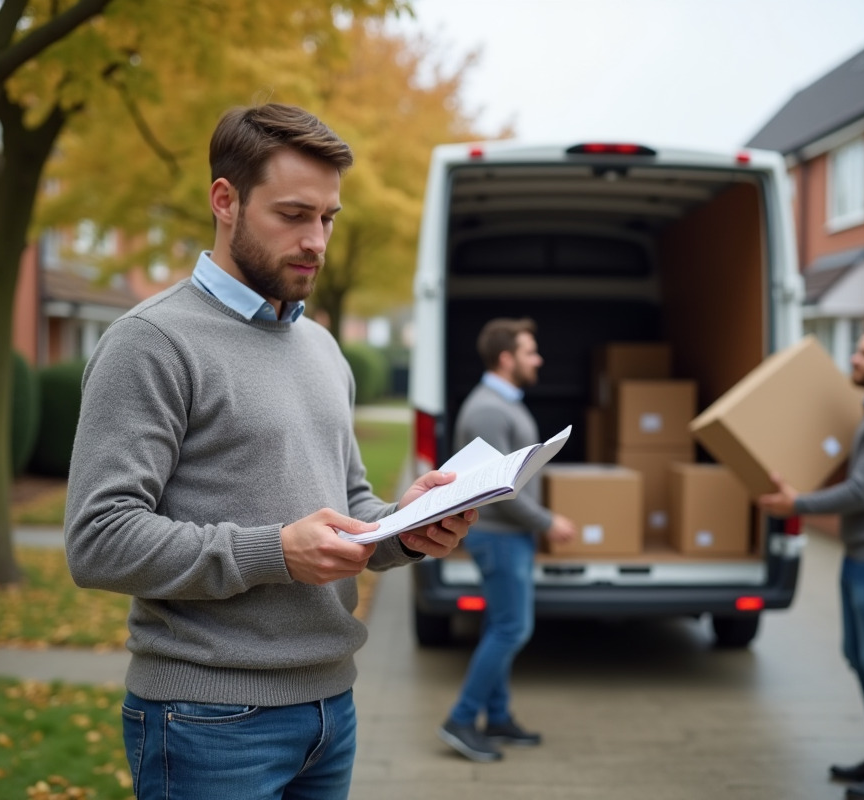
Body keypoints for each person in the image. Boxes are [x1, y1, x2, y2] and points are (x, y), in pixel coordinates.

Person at [64, 104, 474, 800]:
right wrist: (275, 551)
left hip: (329, 711)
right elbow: (98, 541)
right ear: (225, 200)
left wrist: (404, 527)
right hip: (207, 719)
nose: (316, 240)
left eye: (329, 218)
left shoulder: (320, 346)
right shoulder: (151, 342)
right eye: (293, 215)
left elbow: (343, 512)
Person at [758, 320, 864, 800]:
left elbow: (861, 492)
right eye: (857, 351)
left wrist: (797, 505)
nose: (854, 359)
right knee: (861, 658)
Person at [437, 318, 577, 763]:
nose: (538, 359)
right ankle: (461, 720)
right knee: (514, 628)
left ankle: (496, 718)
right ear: (506, 358)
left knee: (501, 625)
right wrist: (546, 521)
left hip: (507, 538)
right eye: (530, 351)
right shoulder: (489, 410)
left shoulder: (503, 403)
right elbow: (502, 488)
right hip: (500, 538)